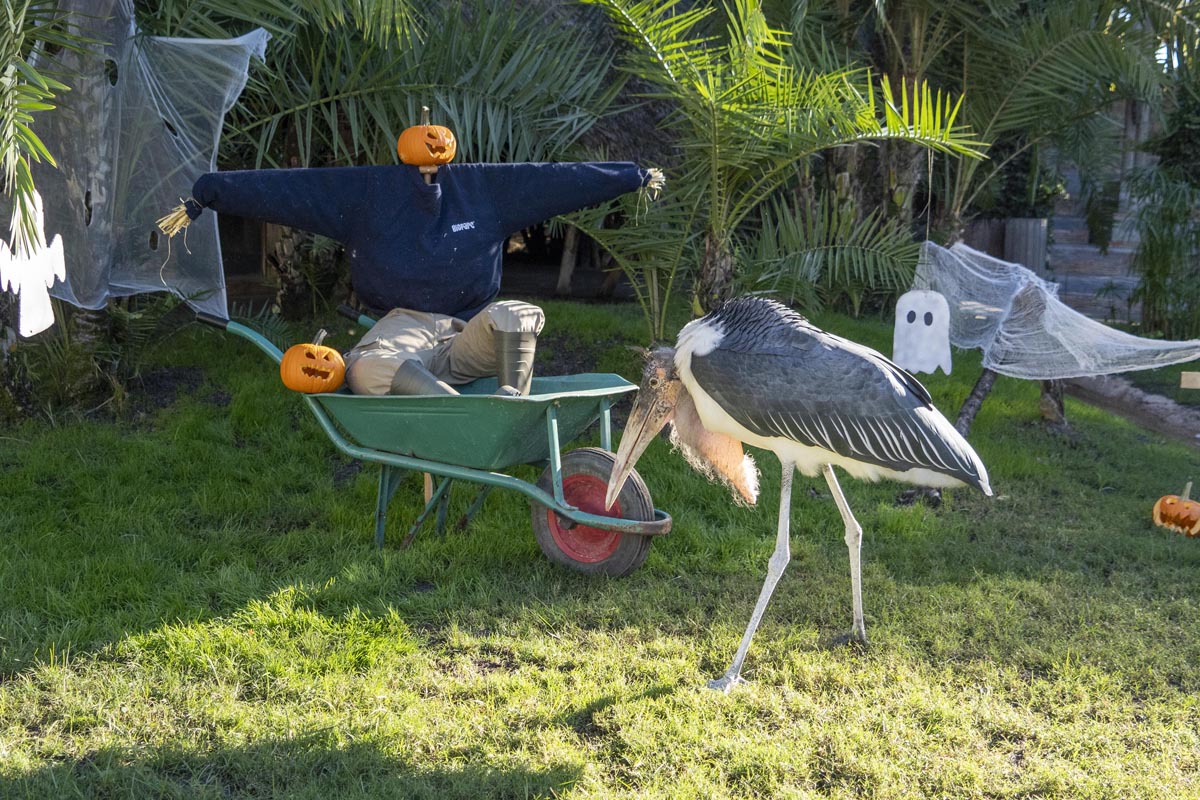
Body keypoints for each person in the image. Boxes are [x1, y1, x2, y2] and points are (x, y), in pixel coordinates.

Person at [172, 160, 662, 395]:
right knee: (363, 367)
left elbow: (557, 180)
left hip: (465, 333)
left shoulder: (484, 191)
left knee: (518, 314)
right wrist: (212, 192)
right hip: (400, 327)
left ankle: (512, 406)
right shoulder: (370, 195)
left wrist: (628, 176)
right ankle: (457, 416)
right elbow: (291, 188)